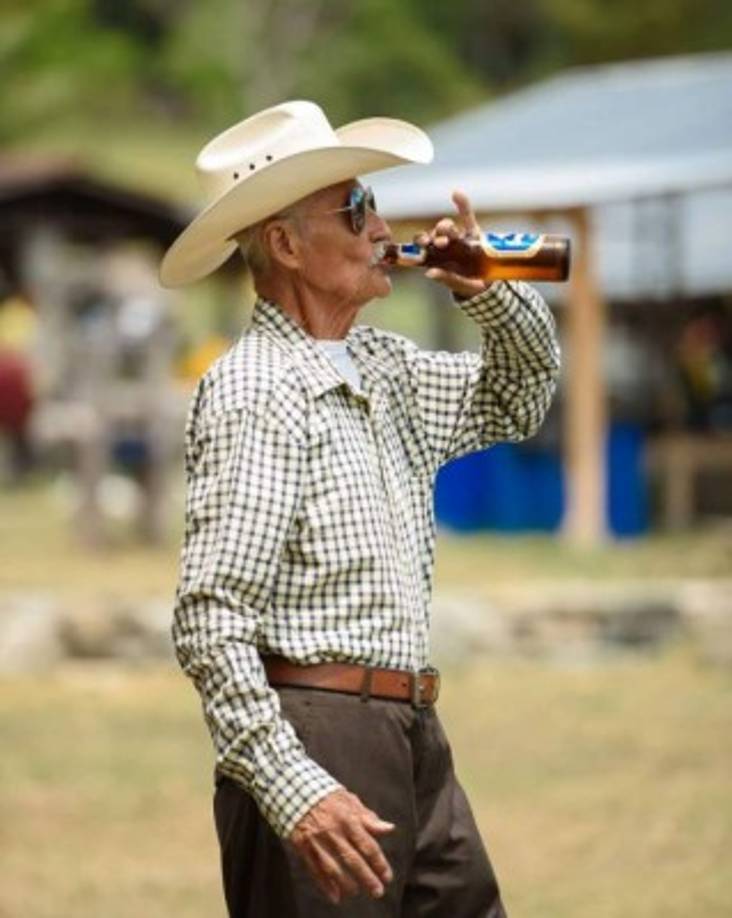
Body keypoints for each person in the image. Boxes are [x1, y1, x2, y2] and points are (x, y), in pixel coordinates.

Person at [162, 101, 560, 917]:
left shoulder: (388, 368)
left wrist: (490, 291)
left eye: (371, 203)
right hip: (315, 734)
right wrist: (292, 787)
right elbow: (211, 616)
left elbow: (520, 398)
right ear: (284, 244)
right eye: (355, 209)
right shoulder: (254, 390)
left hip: (412, 731)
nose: (381, 228)